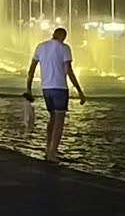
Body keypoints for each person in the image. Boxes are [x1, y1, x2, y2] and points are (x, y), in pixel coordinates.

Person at [25, 27, 85, 163]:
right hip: (60, 88)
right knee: (59, 121)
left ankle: (49, 149)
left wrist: (28, 88)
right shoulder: (64, 48)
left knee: (52, 118)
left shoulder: (40, 47)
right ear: (63, 37)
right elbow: (69, 71)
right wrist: (80, 91)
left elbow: (31, 69)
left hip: (46, 88)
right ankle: (52, 153)